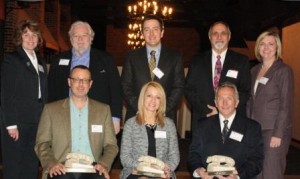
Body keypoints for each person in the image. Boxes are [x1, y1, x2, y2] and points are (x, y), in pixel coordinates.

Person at [35, 65, 118, 179]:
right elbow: (42, 143)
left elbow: (111, 145)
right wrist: (52, 163)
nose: (81, 84)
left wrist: (103, 164)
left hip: (93, 168)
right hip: (62, 166)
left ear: (90, 84)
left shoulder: (103, 110)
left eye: (85, 80)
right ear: (69, 82)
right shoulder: (51, 110)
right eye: (76, 79)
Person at [47, 21, 122, 134]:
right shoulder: (58, 61)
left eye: (84, 35)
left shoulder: (106, 60)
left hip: (97, 118)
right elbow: (50, 91)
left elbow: (116, 90)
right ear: (71, 38)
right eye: (76, 35)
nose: (80, 39)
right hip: (64, 117)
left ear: (91, 38)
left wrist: (115, 118)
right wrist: (49, 118)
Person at [0, 20, 48, 179]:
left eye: (34, 35)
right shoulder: (12, 60)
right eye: (26, 34)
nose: (30, 38)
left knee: (31, 163)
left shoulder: (40, 61)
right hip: (17, 122)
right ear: (19, 37)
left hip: (36, 120)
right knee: (14, 165)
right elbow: (6, 94)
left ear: (39, 38)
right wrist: (11, 124)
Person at [188, 82, 263, 179]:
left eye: (229, 98)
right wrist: (198, 171)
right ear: (215, 102)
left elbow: (256, 161)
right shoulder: (202, 125)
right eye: (220, 98)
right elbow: (193, 155)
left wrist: (237, 176)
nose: (224, 103)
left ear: (236, 102)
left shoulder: (252, 128)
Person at [185, 21, 251, 131]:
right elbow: (189, 90)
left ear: (229, 37)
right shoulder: (196, 61)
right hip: (203, 118)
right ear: (210, 37)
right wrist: (207, 110)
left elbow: (245, 91)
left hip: (231, 119)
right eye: (215, 33)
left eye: (223, 33)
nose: (219, 37)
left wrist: (223, 110)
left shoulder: (241, 61)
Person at [247, 31, 294, 179]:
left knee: (271, 173)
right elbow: (250, 102)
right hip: (255, 130)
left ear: (277, 47)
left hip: (273, 131)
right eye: (262, 43)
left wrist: (278, 133)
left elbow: (286, 105)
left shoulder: (283, 71)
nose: (266, 47)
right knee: (256, 171)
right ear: (258, 47)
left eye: (270, 44)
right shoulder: (254, 71)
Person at [121, 15, 185, 124]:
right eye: (147, 30)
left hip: (165, 116)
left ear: (162, 32)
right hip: (137, 115)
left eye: (155, 29)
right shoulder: (131, 57)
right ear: (142, 34)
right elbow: (125, 86)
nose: (151, 34)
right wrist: (141, 108)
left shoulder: (175, 57)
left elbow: (179, 87)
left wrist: (162, 109)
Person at [120, 81, 180, 179]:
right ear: (142, 98)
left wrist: (165, 168)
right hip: (135, 170)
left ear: (161, 101)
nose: (153, 100)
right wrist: (143, 168)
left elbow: (174, 156)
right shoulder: (130, 124)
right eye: (149, 96)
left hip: (162, 171)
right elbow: (125, 157)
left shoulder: (169, 125)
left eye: (157, 97)